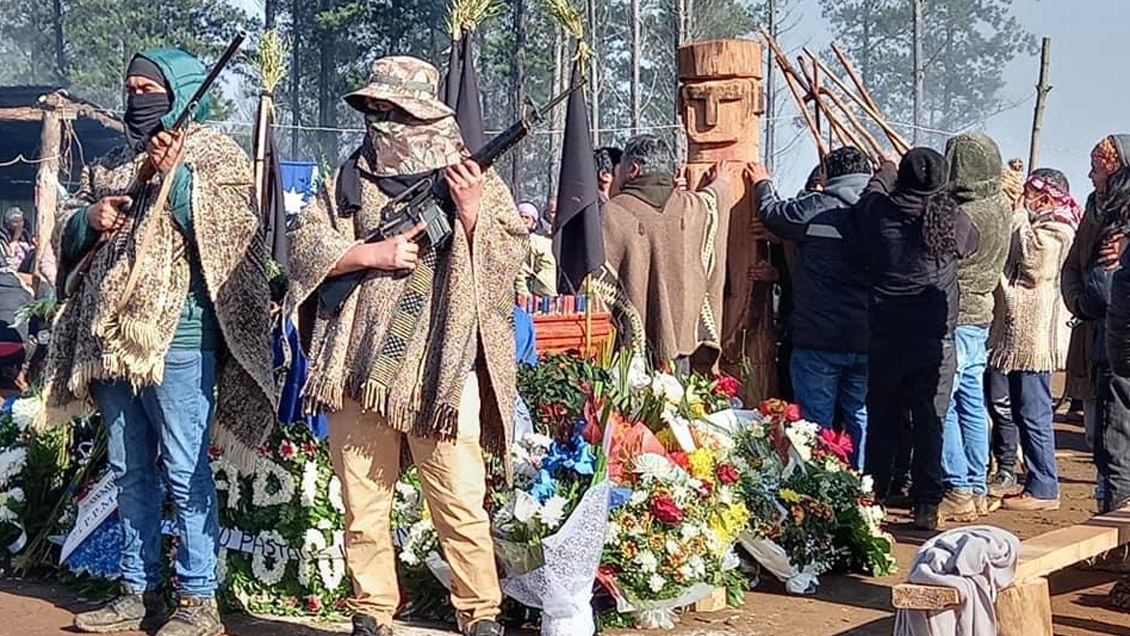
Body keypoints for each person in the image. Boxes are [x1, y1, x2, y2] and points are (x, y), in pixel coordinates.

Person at [285, 56, 523, 636]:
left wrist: (469, 215)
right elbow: (304, 249)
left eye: (391, 110)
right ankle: (371, 610)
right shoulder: (349, 178)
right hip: (359, 365)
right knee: (363, 503)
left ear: (421, 111)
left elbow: (510, 262)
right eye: (374, 110)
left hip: (440, 369)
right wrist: (372, 255)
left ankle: (480, 611)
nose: (380, 121)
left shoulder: (474, 179)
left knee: (459, 501)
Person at [43, 48, 276, 636]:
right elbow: (67, 234)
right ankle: (137, 591)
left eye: (150, 87)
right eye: (131, 86)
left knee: (183, 467)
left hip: (178, 339)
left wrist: (176, 180)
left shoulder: (216, 156)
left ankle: (198, 601)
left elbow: (232, 237)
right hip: (111, 342)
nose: (137, 97)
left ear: (180, 92)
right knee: (127, 469)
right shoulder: (117, 161)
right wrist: (89, 219)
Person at [852, 149, 979, 531]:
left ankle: (874, 498)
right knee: (930, 422)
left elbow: (872, 192)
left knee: (883, 421)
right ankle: (926, 505)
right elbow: (971, 244)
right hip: (935, 340)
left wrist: (888, 166)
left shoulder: (879, 214)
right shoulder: (952, 220)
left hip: (887, 336)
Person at [751, 146, 872, 469]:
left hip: (818, 337)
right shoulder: (879, 209)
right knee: (860, 414)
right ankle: (863, 484)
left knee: (815, 422)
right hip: (866, 336)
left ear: (827, 176)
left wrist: (762, 182)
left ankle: (821, 487)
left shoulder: (817, 207)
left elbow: (773, 214)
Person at [987, 169, 1080, 512]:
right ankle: (1036, 482)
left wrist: (1016, 213)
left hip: (1034, 340)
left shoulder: (1059, 226)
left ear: (1047, 196)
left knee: (1035, 411)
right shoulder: (1039, 221)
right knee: (1024, 410)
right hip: (1019, 335)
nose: (1026, 197)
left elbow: (1033, 261)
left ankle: (1044, 487)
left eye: (1031, 192)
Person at [597, 134, 728, 366]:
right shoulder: (691, 207)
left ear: (633, 169)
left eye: (620, 166)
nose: (616, 172)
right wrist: (722, 183)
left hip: (629, 352)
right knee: (677, 399)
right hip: (681, 347)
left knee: (631, 401)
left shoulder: (612, 213)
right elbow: (713, 201)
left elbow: (595, 285)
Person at [937, 133, 1012, 521]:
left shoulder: (966, 214)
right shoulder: (1001, 205)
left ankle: (959, 488)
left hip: (956, 313)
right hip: (980, 313)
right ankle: (978, 487)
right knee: (970, 402)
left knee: (944, 401)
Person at [1062, 134, 1130, 511]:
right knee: (1105, 438)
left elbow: (1106, 283)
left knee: (1115, 440)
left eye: (1097, 169)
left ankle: (1116, 530)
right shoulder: (1096, 208)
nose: (1090, 176)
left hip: (1117, 338)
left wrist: (1087, 302)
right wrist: (1075, 298)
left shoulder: (1122, 221)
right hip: (1102, 334)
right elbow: (1075, 262)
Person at [515, 201, 557, 297]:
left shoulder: (573, 240)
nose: (523, 220)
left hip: (568, 298)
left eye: (526, 217)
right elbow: (521, 272)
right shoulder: (536, 241)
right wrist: (526, 297)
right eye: (553, 212)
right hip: (542, 298)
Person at [2, 206, 34, 271]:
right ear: (8, 224)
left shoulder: (25, 234)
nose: (19, 225)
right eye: (15, 222)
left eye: (21, 221)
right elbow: (8, 255)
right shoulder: (3, 235)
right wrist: (15, 239)